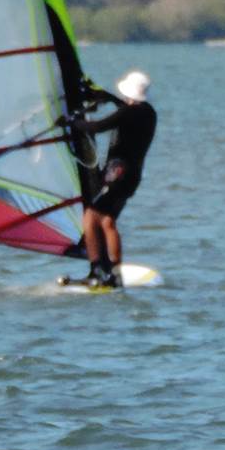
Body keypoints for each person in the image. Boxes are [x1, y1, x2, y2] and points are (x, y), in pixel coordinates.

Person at [70, 69, 158, 289]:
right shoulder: (149, 113)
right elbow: (126, 109)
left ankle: (97, 270)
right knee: (107, 220)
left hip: (116, 175)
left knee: (91, 217)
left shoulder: (127, 113)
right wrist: (107, 97)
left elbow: (97, 127)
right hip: (132, 177)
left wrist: (72, 122)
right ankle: (114, 272)